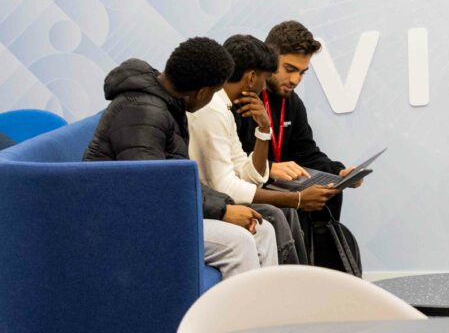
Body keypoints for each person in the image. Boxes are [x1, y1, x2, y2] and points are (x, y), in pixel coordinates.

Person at [83, 37, 278, 278]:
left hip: (155, 210)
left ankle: (269, 313)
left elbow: (178, 177)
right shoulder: (144, 113)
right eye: (214, 93)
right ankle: (241, 316)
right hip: (124, 220)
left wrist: (227, 205)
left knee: (262, 229)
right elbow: (152, 188)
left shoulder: (167, 103)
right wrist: (224, 212)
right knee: (238, 243)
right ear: (202, 92)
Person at [188, 34, 338, 264]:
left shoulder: (224, 107)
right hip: (208, 203)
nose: (264, 86)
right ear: (251, 77)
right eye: (266, 77)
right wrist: (296, 199)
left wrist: (264, 129)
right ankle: (292, 290)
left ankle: (298, 286)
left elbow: (249, 175)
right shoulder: (213, 109)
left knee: (282, 212)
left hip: (221, 196)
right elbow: (224, 185)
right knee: (277, 214)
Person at [235, 21, 364, 222]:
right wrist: (269, 168)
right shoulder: (242, 96)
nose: (295, 80)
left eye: (302, 72)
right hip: (249, 186)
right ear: (269, 58)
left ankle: (319, 255)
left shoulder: (293, 103)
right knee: (288, 209)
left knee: (327, 194)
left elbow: (306, 153)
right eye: (289, 69)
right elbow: (225, 159)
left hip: (279, 185)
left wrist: (339, 171)